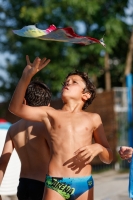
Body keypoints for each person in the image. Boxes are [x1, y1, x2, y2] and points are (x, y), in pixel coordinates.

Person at [9, 55, 113, 200]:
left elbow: (109, 158)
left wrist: (99, 148)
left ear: (86, 95)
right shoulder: (50, 114)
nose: (67, 83)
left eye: (74, 82)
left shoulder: (93, 119)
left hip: (84, 184)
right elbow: (15, 108)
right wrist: (26, 77)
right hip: (56, 184)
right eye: (66, 81)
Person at [0, 80, 52, 200]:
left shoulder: (13, 128)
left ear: (24, 101)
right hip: (44, 186)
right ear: (48, 105)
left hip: (24, 185)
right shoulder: (46, 126)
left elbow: (3, 161)